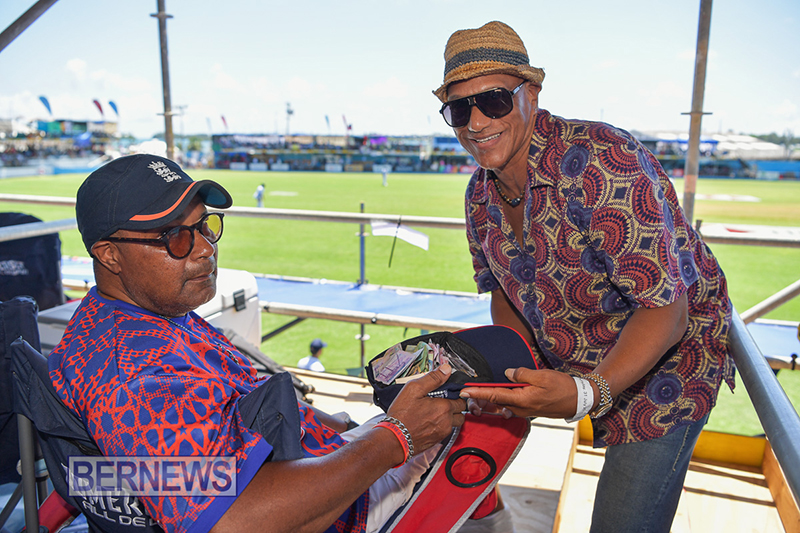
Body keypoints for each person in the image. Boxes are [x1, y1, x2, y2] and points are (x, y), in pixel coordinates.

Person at [48, 154, 467, 533]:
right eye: (175, 237)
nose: (205, 249)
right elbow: (233, 522)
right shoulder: (134, 378)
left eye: (204, 226)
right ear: (109, 255)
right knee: (474, 420)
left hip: (309, 461)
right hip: (332, 509)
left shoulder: (147, 312)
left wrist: (345, 429)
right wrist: (397, 437)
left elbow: (244, 399)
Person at [433, 21, 734, 533]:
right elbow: (505, 293)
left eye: (495, 101)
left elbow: (666, 309)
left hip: (669, 368)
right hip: (586, 363)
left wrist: (586, 393)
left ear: (530, 93)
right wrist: (514, 374)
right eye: (459, 108)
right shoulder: (479, 195)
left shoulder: (601, 160)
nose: (476, 121)